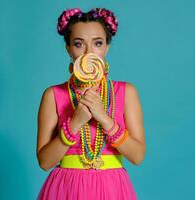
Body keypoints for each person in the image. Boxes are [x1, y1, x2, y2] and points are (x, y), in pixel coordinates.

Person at [36, 7, 146, 200]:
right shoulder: (53, 94)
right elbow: (45, 162)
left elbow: (137, 156)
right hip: (66, 189)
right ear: (68, 48)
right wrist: (75, 123)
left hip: (112, 188)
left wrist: (103, 118)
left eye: (97, 43)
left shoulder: (126, 92)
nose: (89, 52)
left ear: (107, 47)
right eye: (79, 44)